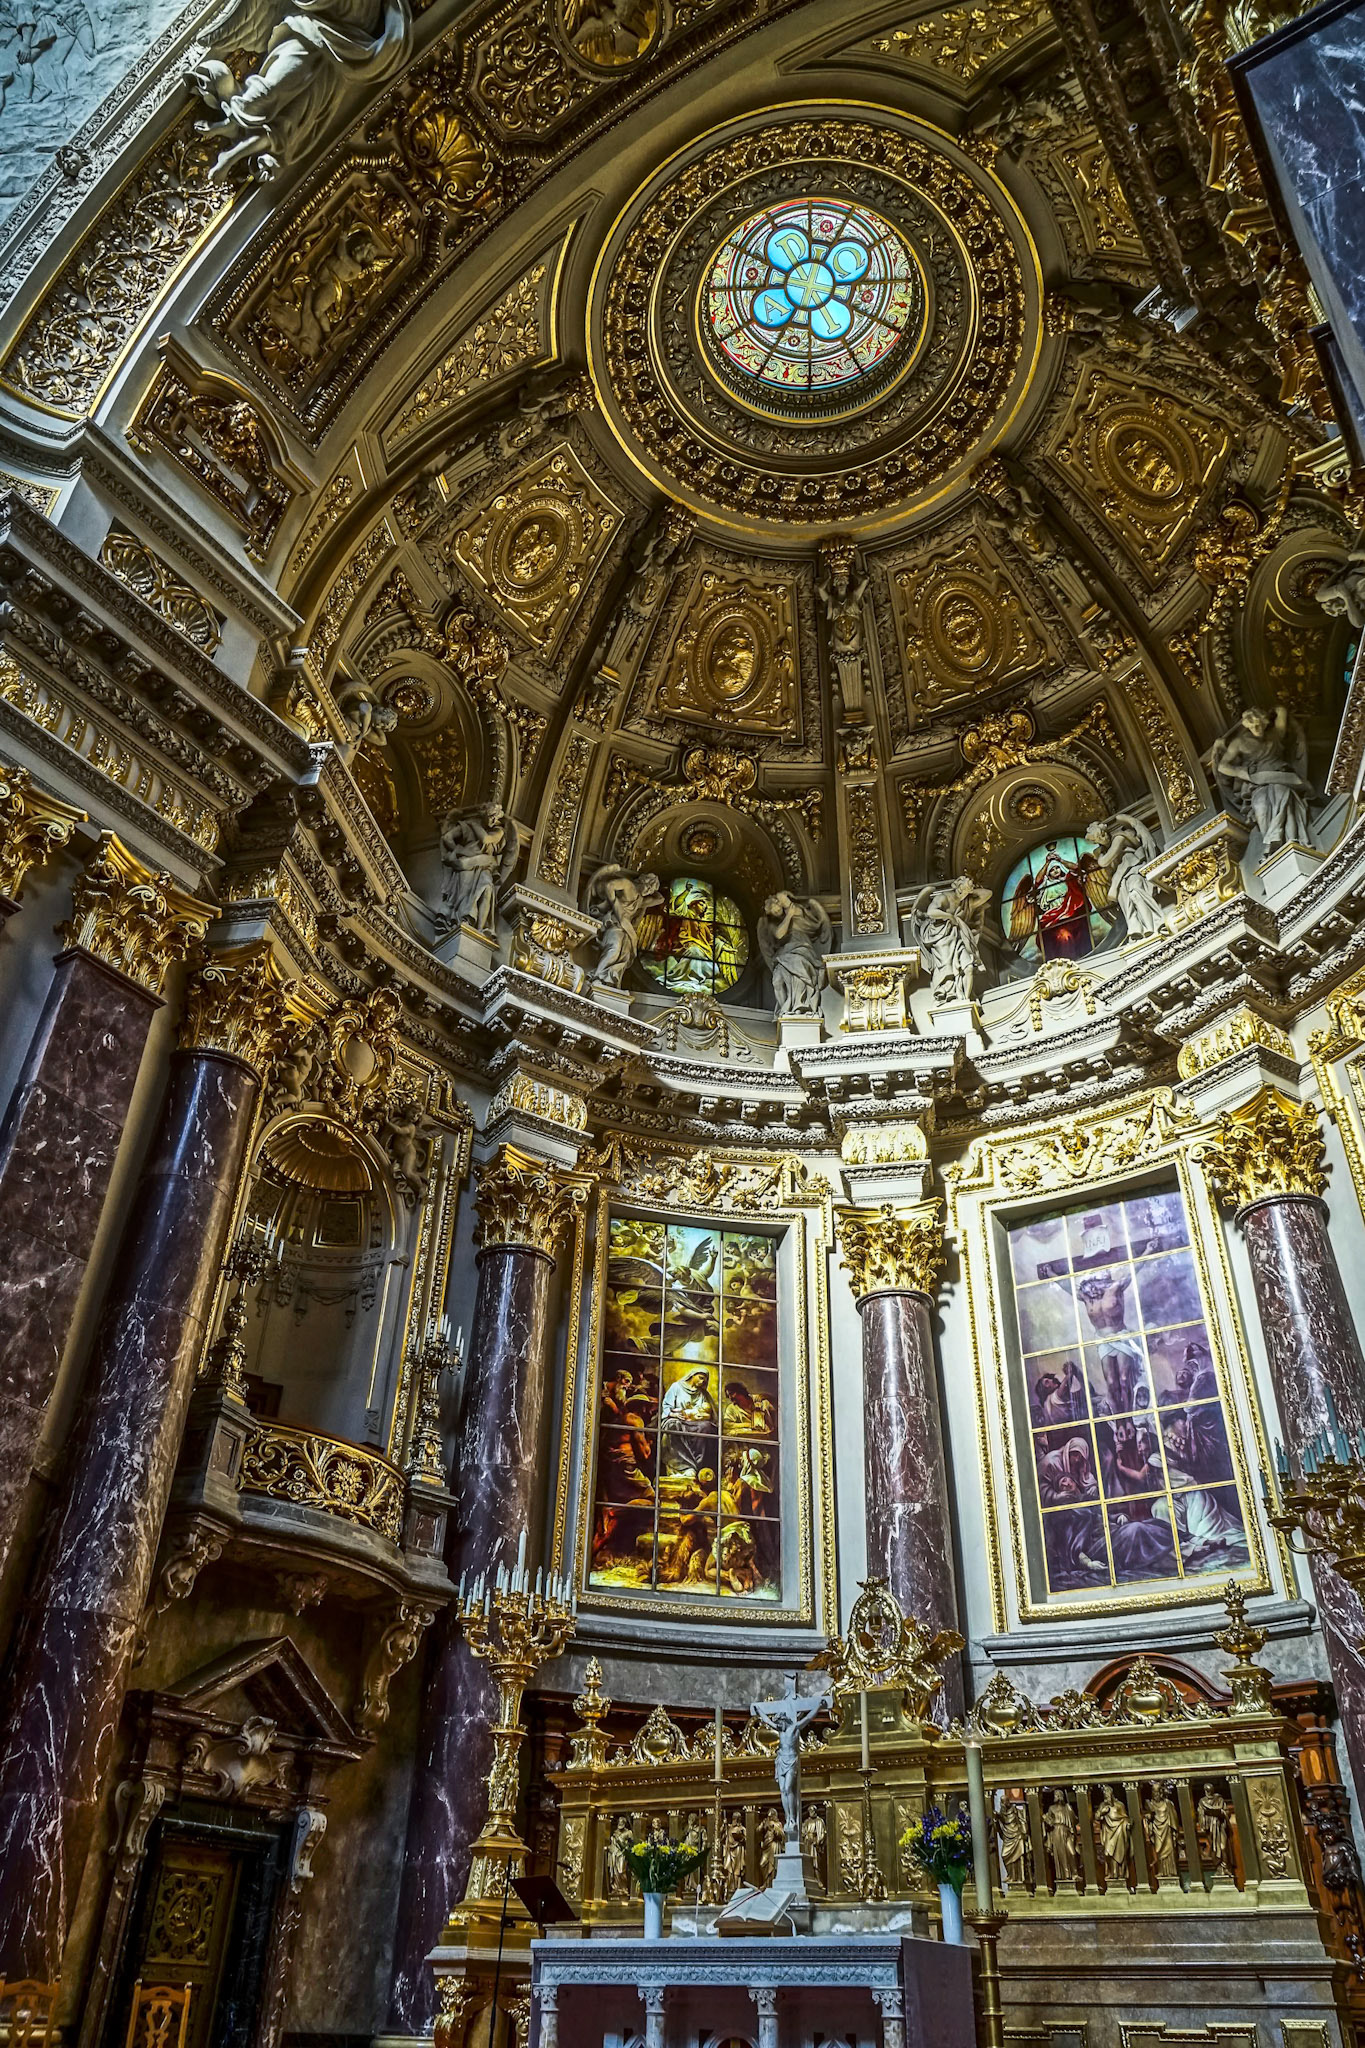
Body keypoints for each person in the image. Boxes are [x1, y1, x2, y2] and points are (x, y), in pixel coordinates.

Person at [1209, 705, 1314, 852]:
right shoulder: (1239, 742)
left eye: (1260, 725)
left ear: (1265, 723)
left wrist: (1278, 710)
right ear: (1247, 726)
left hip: (1280, 776)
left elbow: (1282, 712)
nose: (1257, 728)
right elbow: (1223, 766)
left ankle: (1291, 842)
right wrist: (1243, 772)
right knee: (1260, 807)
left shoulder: (1275, 735)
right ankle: (1272, 843)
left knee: (1284, 805)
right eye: (1253, 726)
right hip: (1257, 782)